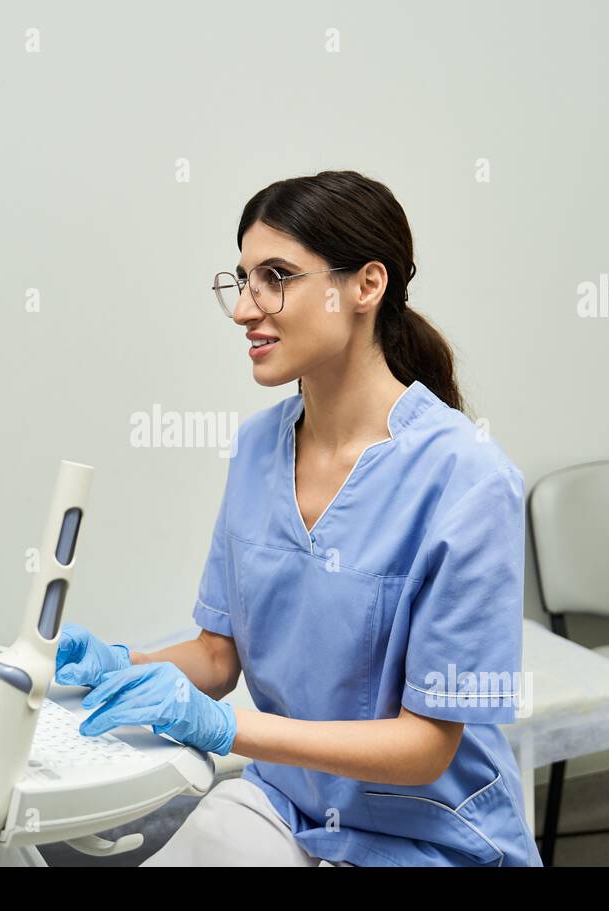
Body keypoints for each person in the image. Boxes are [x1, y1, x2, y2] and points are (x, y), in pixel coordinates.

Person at [57, 170, 541, 867]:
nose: (244, 309)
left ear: (366, 286)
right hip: (286, 804)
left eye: (276, 277)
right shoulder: (258, 448)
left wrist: (223, 727)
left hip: (427, 837)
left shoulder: (469, 479)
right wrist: (114, 665)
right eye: (243, 279)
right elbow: (218, 656)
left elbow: (425, 748)